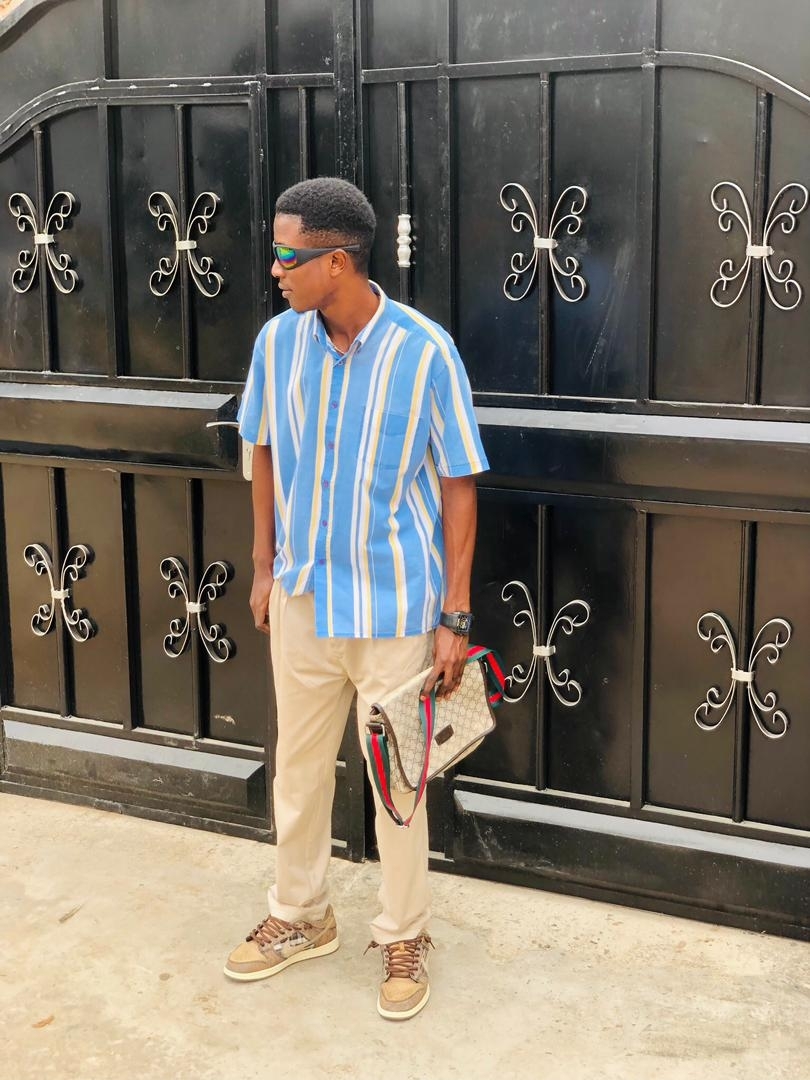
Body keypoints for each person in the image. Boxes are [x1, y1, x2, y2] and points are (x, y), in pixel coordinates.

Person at [225, 176, 488, 1021]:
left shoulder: (425, 351)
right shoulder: (278, 344)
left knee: (398, 786)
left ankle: (402, 934)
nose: (275, 270)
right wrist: (263, 566)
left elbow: (458, 483)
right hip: (303, 597)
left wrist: (454, 615)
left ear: (337, 262)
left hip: (395, 608)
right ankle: (300, 914)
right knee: (298, 772)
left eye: (288, 255)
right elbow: (262, 449)